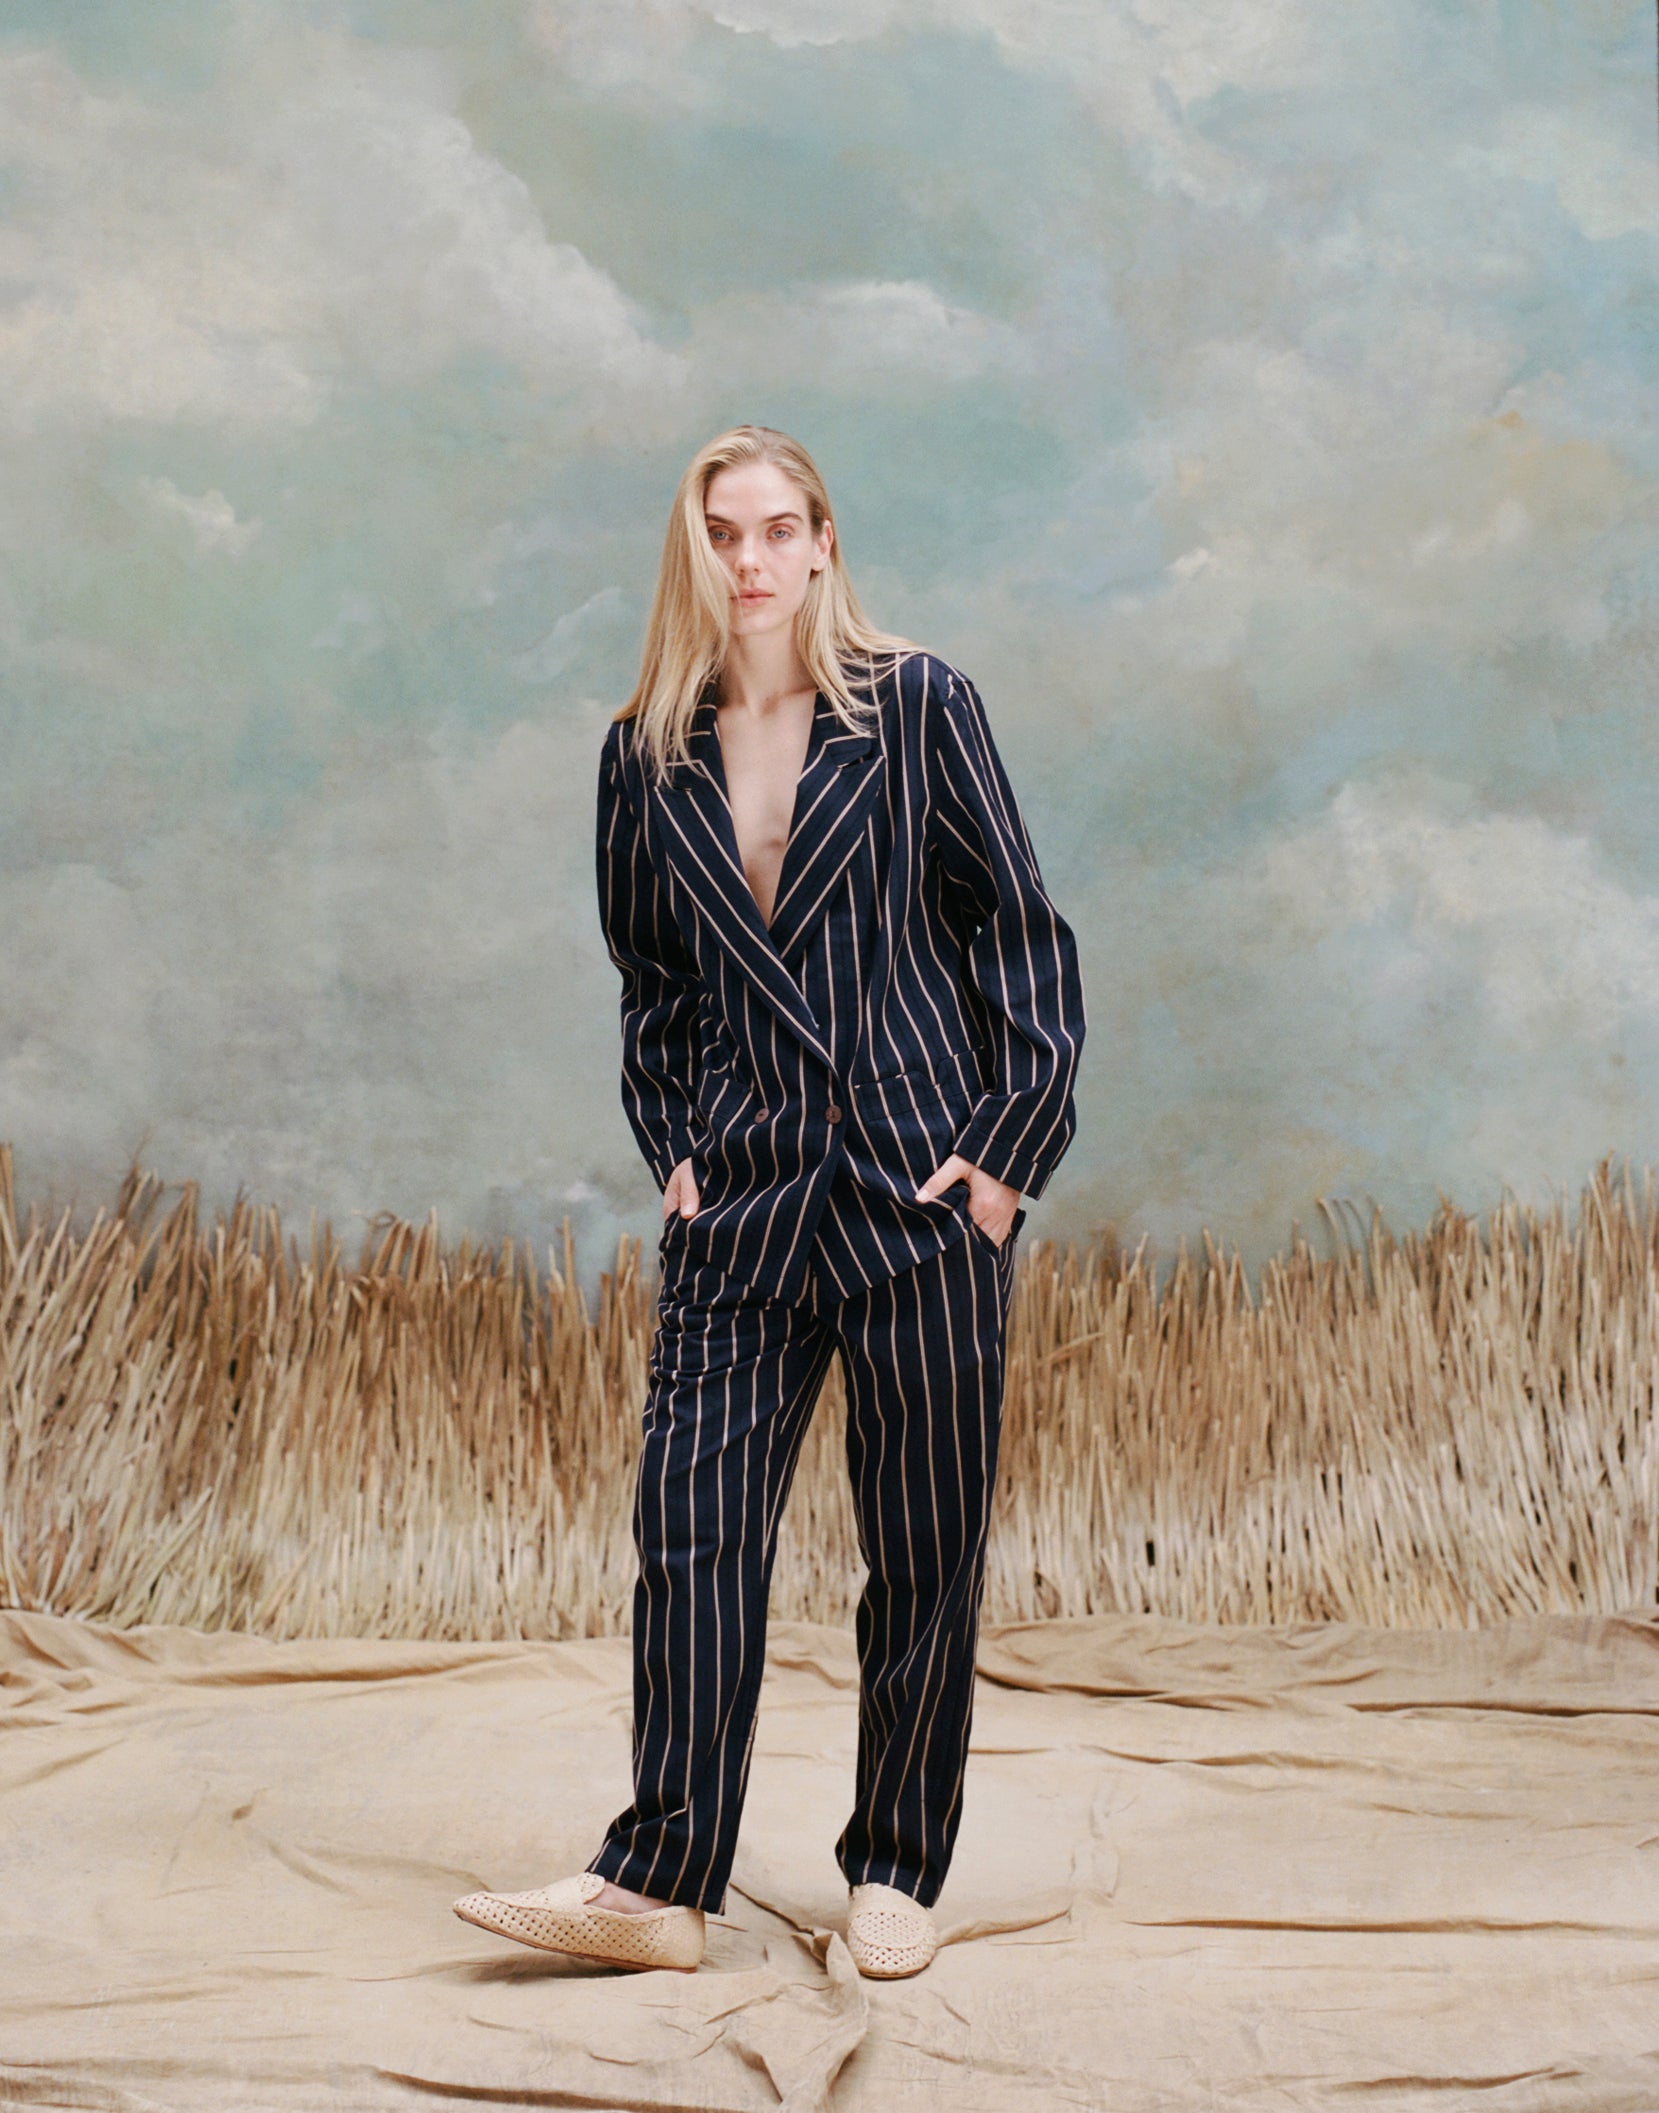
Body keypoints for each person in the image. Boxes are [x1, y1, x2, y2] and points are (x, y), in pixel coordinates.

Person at [455, 424, 1084, 1978]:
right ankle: (660, 1880)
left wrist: (1001, 1161)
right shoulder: (641, 752)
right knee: (691, 1528)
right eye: (723, 533)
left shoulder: (920, 707)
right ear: (693, 550)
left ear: (823, 545)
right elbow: (651, 983)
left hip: (917, 1193)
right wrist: (674, 1144)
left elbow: (1019, 935)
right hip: (739, 1203)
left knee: (923, 1547)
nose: (751, 559)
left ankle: (895, 1868)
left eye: (779, 529)